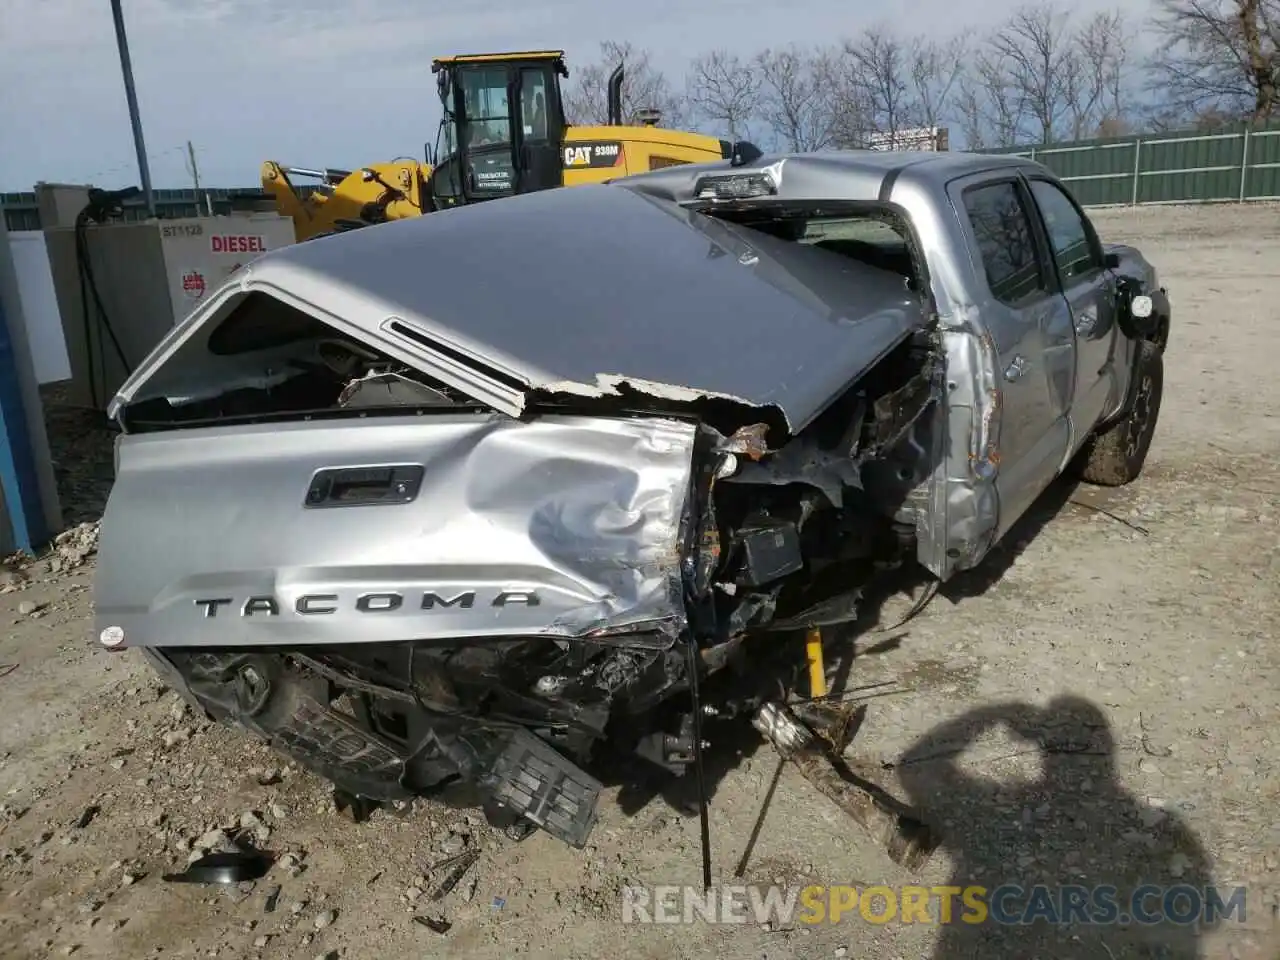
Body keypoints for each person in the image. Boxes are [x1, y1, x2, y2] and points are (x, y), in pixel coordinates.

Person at [898, 696, 1217, 959]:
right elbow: (1205, 916)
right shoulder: (1164, 829)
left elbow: (915, 768)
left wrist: (994, 713)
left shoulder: (1003, 807)